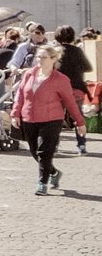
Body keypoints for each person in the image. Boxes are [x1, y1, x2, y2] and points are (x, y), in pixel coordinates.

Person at [12, 43, 82, 196]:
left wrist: (79, 122)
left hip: (52, 119)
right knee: (33, 151)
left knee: (45, 152)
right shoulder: (29, 74)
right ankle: (54, 173)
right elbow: (21, 95)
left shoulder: (61, 79)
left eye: (44, 57)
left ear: (53, 59)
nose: (40, 60)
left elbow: (70, 102)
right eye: (38, 57)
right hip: (29, 117)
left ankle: (42, 183)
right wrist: (15, 113)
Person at [55, 26, 92, 156]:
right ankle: (81, 145)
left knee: (57, 117)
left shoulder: (55, 51)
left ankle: (55, 144)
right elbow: (88, 67)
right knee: (78, 116)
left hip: (58, 89)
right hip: (77, 88)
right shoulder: (77, 51)